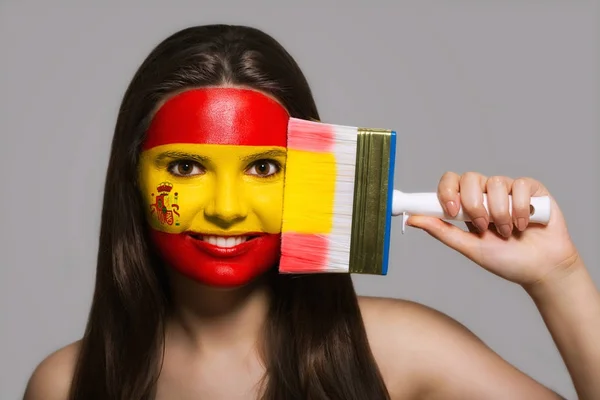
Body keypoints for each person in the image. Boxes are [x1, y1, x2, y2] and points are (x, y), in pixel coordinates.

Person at [23, 24, 599, 400]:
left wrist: (559, 278)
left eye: (265, 169)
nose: (226, 211)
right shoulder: (63, 385)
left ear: (317, 176)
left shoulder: (401, 350)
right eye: (185, 168)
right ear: (133, 178)